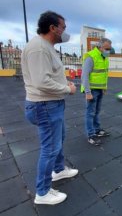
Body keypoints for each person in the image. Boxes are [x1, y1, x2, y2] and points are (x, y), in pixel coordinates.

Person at [21, 11, 78, 205]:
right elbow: (41, 82)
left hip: (50, 104)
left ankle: (59, 170)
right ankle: (42, 193)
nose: (65, 32)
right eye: (63, 28)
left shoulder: (46, 47)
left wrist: (63, 81)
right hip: (44, 105)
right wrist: (67, 89)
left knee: (58, 139)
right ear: (53, 28)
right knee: (50, 148)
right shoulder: (39, 48)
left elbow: (48, 75)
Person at [81, 38, 112, 145]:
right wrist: (88, 92)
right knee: (90, 113)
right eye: (107, 48)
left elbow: (104, 74)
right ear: (100, 47)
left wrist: (104, 87)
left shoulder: (104, 57)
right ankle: (91, 135)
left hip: (99, 89)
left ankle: (97, 130)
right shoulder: (91, 56)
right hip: (92, 90)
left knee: (97, 111)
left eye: (109, 49)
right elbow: (84, 76)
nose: (108, 51)